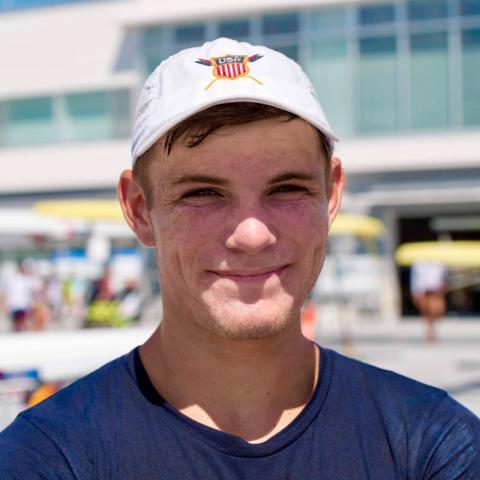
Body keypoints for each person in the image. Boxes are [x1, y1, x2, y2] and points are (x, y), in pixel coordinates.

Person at [0, 37, 479, 479]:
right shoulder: (46, 458)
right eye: (203, 192)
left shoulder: (434, 446)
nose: (251, 235)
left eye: (287, 188)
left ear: (331, 195)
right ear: (140, 210)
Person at [410, 260, 448, 342]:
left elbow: (444, 276)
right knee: (427, 313)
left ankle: (431, 330)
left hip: (435, 291)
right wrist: (415, 292)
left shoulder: (439, 262)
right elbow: (414, 278)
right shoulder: (418, 262)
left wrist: (443, 286)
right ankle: (430, 332)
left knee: (437, 312)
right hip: (423, 291)